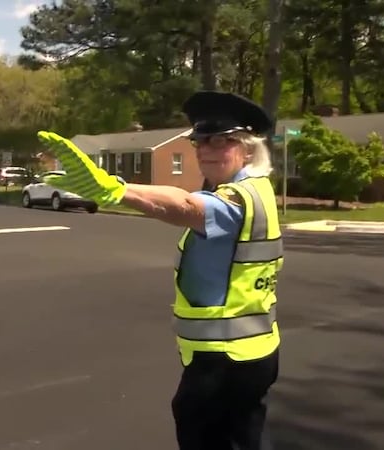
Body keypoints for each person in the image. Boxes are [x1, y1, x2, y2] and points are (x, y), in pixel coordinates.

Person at [37, 90, 283, 450]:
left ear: (248, 149)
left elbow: (184, 205)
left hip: (226, 359)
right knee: (244, 438)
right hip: (254, 352)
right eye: (200, 140)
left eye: (220, 140)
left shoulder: (237, 200)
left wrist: (114, 190)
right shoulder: (258, 190)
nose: (205, 149)